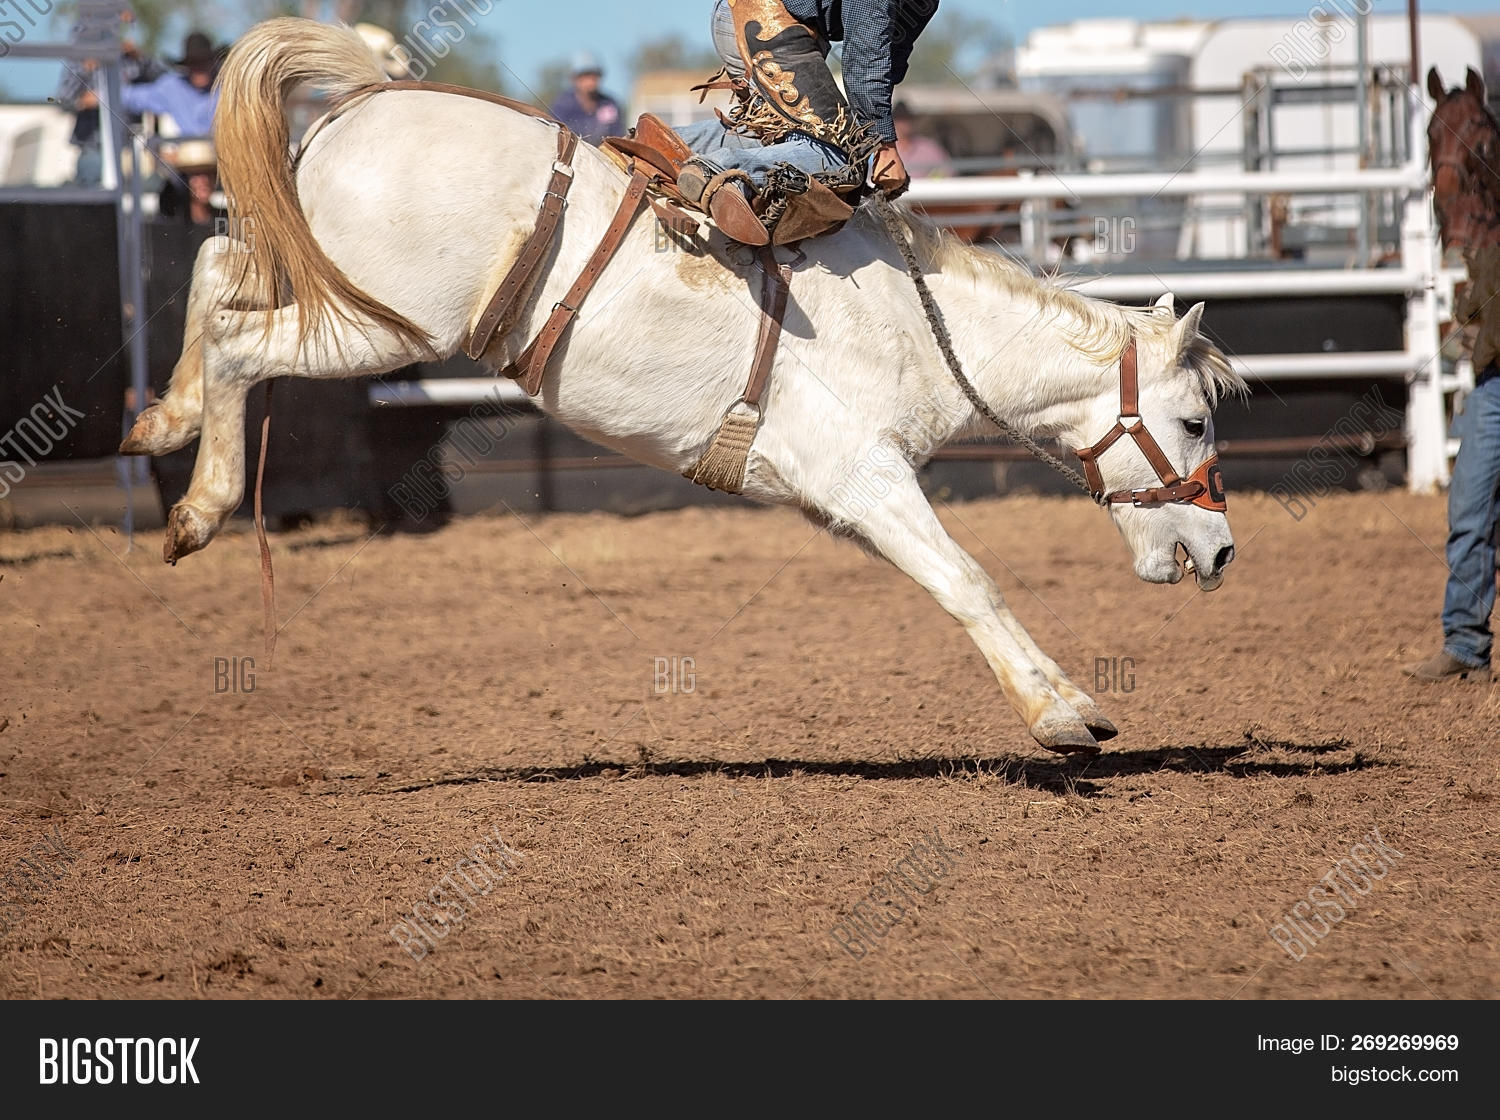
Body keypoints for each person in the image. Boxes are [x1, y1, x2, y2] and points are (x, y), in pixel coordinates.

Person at [671, 0, 939, 245]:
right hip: (772, 23)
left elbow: (887, 56)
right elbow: (864, 60)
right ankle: (717, 171)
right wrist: (883, 146)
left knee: (777, 137)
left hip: (755, 19)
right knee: (843, 159)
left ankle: (674, 142)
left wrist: (869, 130)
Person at [1404, 244, 1500, 683]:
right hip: (1492, 382)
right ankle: (1465, 643)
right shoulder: (1488, 226)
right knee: (1470, 509)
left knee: (1472, 512)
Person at [54, 11, 164, 186]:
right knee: (93, 180)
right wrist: (82, 101)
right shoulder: (80, 63)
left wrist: (140, 56)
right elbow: (62, 100)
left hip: (130, 147)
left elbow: (164, 83)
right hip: (94, 147)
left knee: (151, 186)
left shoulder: (130, 60)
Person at [119, 31, 222, 140]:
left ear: (213, 62)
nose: (200, 68)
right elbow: (129, 97)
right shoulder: (172, 87)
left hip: (223, 152)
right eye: (194, 62)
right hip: (183, 152)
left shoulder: (226, 88)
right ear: (187, 65)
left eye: (204, 61)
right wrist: (102, 96)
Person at [550, 52, 624, 146]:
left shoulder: (609, 104)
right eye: (585, 76)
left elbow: (618, 137)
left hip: (603, 156)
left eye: (594, 76)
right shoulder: (563, 106)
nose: (590, 80)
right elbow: (556, 139)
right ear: (575, 79)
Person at [893, 100, 951, 178]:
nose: (904, 124)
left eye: (907, 119)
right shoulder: (883, 149)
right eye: (899, 120)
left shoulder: (929, 147)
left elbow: (948, 171)